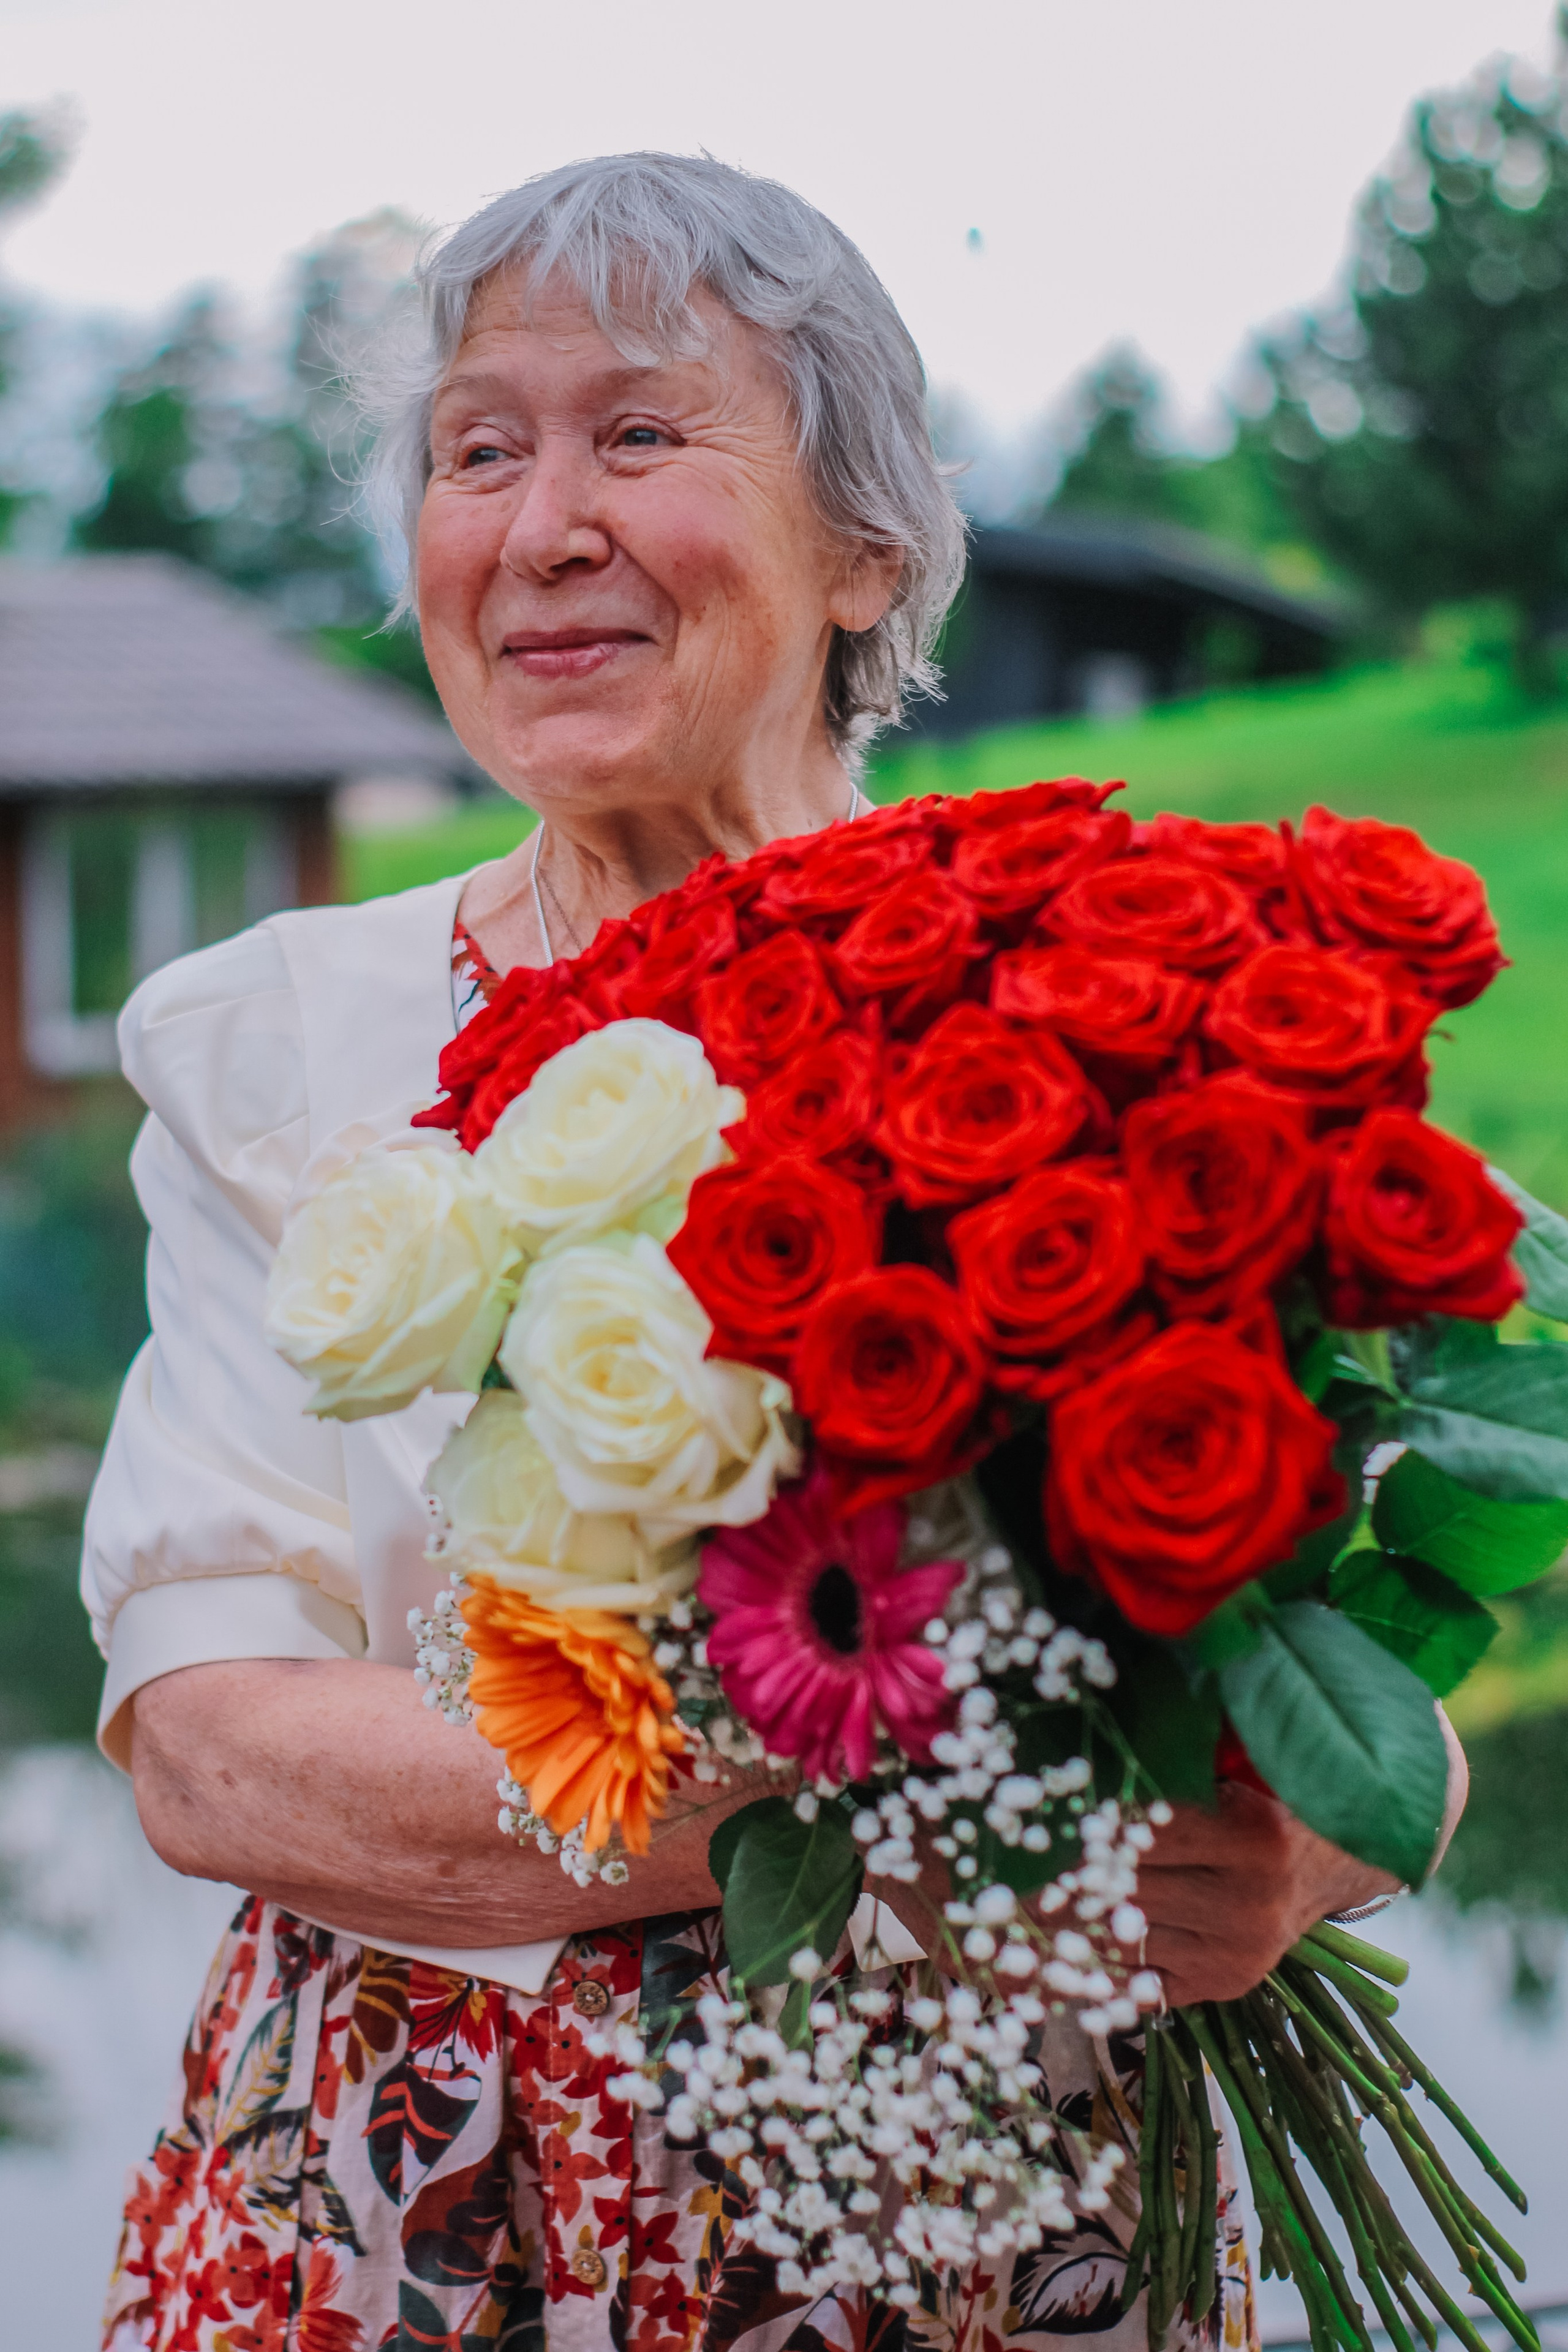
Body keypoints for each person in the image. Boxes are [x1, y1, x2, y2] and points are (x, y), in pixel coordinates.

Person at [85, 153, 1450, 2352]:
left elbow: (1364, 1633)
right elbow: (209, 1750)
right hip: (414, 2210)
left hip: (1009, 2214)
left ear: (871, 543)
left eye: (639, 433)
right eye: (477, 453)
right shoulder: (273, 1046)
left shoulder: (1098, 988)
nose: (542, 531)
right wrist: (882, 1792)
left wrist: (1322, 1848)